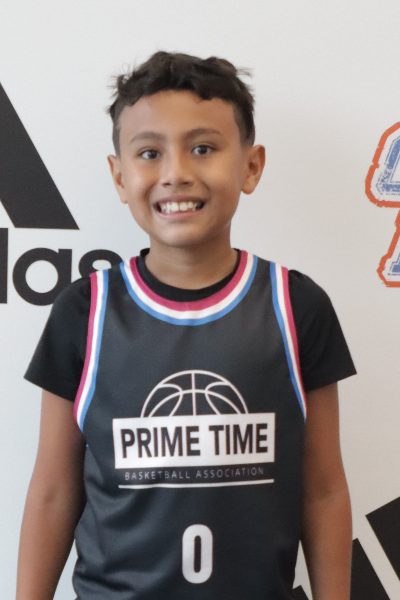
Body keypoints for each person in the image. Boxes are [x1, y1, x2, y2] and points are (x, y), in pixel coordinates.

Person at [17, 51, 355, 600]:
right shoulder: (85, 311)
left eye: (203, 148)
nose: (176, 173)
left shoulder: (297, 306)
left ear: (251, 166)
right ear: (120, 176)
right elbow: (53, 491)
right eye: (150, 153)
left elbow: (323, 490)